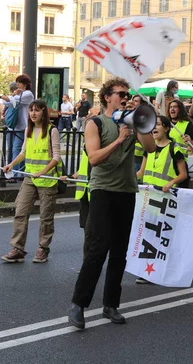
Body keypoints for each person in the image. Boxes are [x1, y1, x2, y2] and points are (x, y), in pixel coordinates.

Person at [68, 77, 155, 330]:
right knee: (99, 246)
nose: (125, 97)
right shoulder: (95, 123)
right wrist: (118, 140)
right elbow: (94, 158)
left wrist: (141, 123)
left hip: (126, 191)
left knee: (119, 250)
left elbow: (150, 148)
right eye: (120, 93)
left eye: (127, 94)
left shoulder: (131, 122)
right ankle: (78, 304)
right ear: (107, 96)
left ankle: (111, 305)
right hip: (102, 190)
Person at [1, 100, 61, 263]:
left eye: (37, 110)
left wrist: (42, 172)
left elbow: (56, 157)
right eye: (31, 111)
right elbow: (23, 152)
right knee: (21, 211)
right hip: (29, 178)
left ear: (44, 112)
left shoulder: (51, 130)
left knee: (46, 217)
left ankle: (43, 248)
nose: (33, 113)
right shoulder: (29, 129)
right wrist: (11, 164)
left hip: (47, 180)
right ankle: (18, 248)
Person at [135, 115, 188, 283]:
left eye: (158, 124)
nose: (154, 128)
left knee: (161, 236)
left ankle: (158, 268)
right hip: (148, 199)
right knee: (147, 235)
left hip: (164, 200)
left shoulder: (174, 148)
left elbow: (183, 174)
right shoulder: (148, 148)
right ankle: (147, 270)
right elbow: (141, 173)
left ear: (166, 128)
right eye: (152, 125)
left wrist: (171, 182)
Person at [0, 75, 35, 183]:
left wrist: (4, 95)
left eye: (19, 82)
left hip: (22, 126)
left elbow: (13, 101)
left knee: (17, 150)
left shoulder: (28, 94)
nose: (17, 84)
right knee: (12, 150)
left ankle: (15, 174)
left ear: (25, 84)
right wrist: (12, 95)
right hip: (13, 126)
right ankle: (15, 173)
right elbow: (8, 102)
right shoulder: (19, 94)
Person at [168, 99, 193, 164]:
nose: (172, 109)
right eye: (170, 107)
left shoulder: (187, 124)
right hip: (166, 160)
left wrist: (190, 144)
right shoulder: (165, 124)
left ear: (180, 109)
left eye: (175, 107)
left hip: (181, 161)